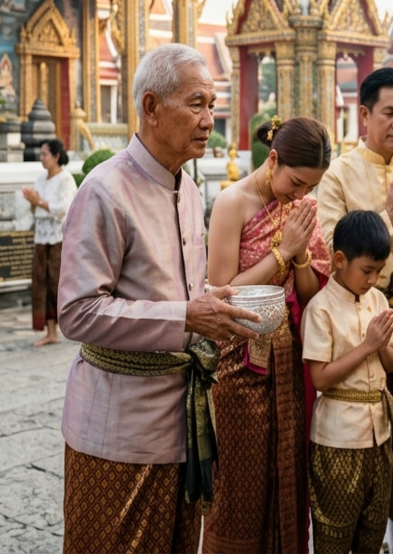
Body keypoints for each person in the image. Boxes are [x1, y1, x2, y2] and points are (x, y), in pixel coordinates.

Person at [59, 43, 261, 554]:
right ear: (151, 108)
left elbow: (176, 290)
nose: (208, 120)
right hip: (119, 429)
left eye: (212, 106)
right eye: (196, 104)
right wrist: (188, 315)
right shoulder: (104, 190)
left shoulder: (189, 189)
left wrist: (214, 300)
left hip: (182, 424)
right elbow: (78, 311)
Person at [203, 116, 332, 554]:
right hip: (238, 358)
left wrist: (299, 260)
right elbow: (223, 289)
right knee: (240, 480)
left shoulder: (300, 210)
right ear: (272, 159)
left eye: (309, 188)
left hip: (288, 358)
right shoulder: (232, 202)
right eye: (296, 183)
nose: (300, 195)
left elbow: (312, 294)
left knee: (287, 475)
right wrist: (285, 250)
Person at [316, 66, 393, 497]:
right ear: (364, 115)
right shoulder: (338, 175)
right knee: (373, 431)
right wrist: (387, 219)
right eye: (388, 113)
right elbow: (329, 253)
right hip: (363, 324)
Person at [302, 211, 393, 554]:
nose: (373, 280)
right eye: (367, 270)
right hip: (338, 438)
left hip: (380, 435)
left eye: (379, 271)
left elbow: (391, 363)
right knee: (334, 533)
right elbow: (320, 378)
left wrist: (382, 345)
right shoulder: (321, 309)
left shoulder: (377, 300)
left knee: (373, 531)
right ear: (340, 260)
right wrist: (367, 346)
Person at [22, 138, 76, 346]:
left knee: (57, 283)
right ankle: (50, 331)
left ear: (56, 156)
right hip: (41, 238)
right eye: (41, 154)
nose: (41, 158)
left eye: (45, 154)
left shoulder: (66, 180)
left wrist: (40, 203)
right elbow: (35, 210)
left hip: (59, 239)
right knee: (40, 282)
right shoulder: (41, 180)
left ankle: (68, 327)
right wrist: (33, 203)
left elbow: (64, 209)